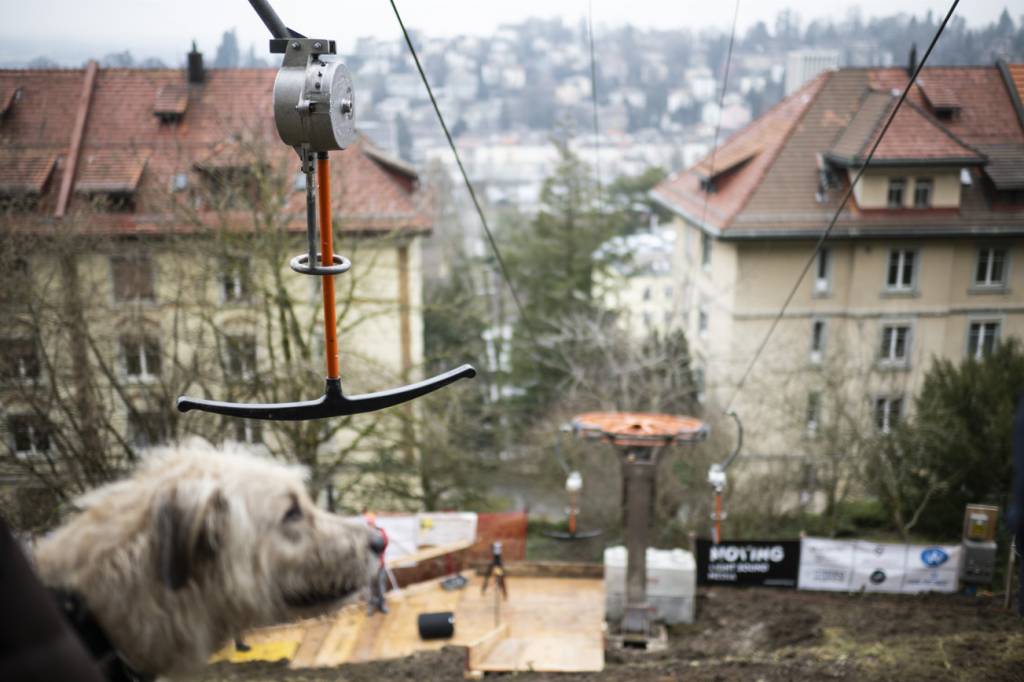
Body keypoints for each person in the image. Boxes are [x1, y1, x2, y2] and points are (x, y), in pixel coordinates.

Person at [365, 513, 389, 615]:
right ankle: (371, 605)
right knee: (369, 586)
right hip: (368, 565)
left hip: (379, 564)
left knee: (380, 584)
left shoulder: (380, 531)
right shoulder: (364, 532)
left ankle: (382, 604)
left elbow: (385, 542)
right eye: (368, 522)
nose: (370, 523)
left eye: (371, 521)